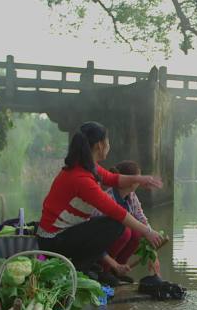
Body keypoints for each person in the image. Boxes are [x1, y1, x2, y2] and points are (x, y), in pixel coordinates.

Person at [37, 121, 163, 282]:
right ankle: (81, 267)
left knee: (114, 225)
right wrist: (148, 232)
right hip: (53, 241)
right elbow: (116, 211)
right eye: (108, 141)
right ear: (100, 145)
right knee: (115, 224)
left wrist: (141, 179)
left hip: (62, 235)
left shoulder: (87, 167)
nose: (109, 145)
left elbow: (113, 178)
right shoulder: (81, 178)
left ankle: (89, 267)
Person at [93, 160, 162, 285]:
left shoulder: (132, 196)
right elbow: (92, 237)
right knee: (125, 232)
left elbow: (142, 220)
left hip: (111, 245)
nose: (140, 181)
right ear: (129, 181)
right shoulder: (107, 198)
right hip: (97, 249)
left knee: (137, 233)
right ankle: (104, 270)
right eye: (138, 178)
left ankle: (118, 270)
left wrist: (153, 254)